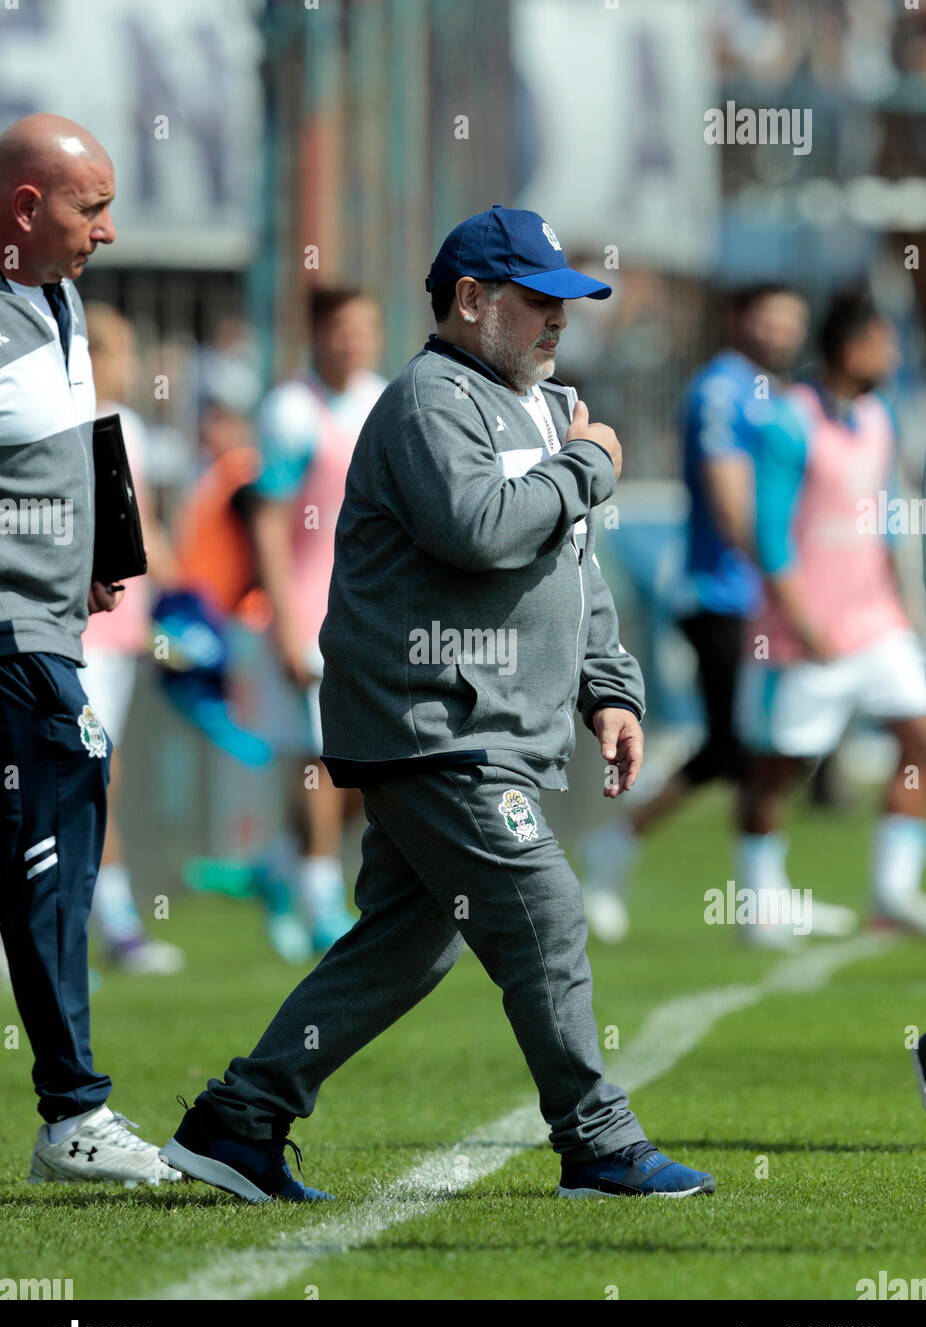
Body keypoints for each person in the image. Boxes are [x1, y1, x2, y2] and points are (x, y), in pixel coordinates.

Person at [161, 205, 716, 1202]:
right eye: (535, 300)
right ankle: (596, 1141)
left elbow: (571, 564)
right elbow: (477, 529)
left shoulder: (547, 408)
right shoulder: (429, 398)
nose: (557, 320)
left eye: (567, 303)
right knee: (542, 909)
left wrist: (609, 686)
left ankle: (240, 1117)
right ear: (469, 299)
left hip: (489, 726)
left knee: (406, 947)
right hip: (433, 720)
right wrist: (589, 463)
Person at [0, 113, 180, 1185]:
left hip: (49, 620)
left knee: (45, 856)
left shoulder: (58, 299)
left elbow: (48, 460)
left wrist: (88, 555)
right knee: (55, 852)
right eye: (90, 207)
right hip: (15, 643)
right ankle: (73, 1114)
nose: (107, 232)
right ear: (26, 208)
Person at [580, 283, 814, 943]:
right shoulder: (722, 388)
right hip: (722, 591)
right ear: (738, 318)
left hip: (759, 591)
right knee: (735, 746)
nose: (781, 331)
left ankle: (759, 896)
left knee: (753, 745)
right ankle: (740, 892)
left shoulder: (775, 394)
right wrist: (778, 577)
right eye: (769, 317)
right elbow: (729, 496)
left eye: (791, 320)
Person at [190, 289, 385, 958]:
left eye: (365, 327)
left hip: (373, 616)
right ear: (316, 332)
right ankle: (325, 902)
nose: (354, 340)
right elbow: (269, 521)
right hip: (309, 611)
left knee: (372, 768)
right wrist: (285, 623)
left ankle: (277, 867)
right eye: (341, 328)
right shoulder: (290, 411)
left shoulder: (381, 401)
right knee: (323, 762)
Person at [736, 291, 926, 942]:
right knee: (776, 767)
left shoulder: (879, 418)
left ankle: (893, 890)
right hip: (806, 634)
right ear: (852, 350)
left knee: (921, 738)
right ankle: (760, 903)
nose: (893, 355)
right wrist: (804, 621)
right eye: (883, 343)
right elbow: (769, 533)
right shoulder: (790, 421)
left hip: (876, 624)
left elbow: (886, 525)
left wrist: (904, 606)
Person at [80, 302, 184, 975]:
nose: (130, 366)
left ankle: (104, 921)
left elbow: (142, 531)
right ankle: (110, 926)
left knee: (93, 777)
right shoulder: (70, 424)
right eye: (115, 352)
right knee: (83, 775)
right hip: (80, 633)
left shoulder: (131, 430)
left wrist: (187, 609)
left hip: (120, 638)